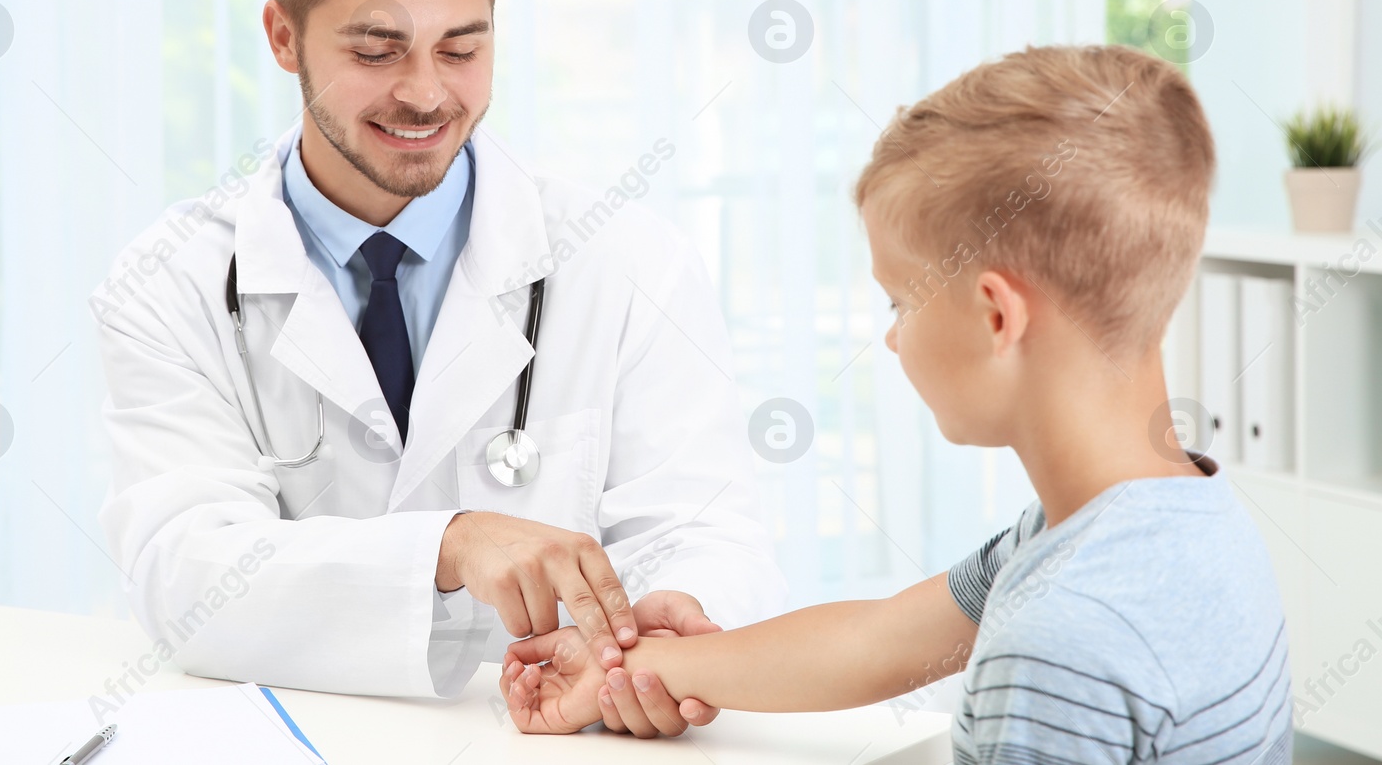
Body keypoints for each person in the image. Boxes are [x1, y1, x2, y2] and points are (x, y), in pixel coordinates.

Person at [90, 0, 784, 733]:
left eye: (461, 48)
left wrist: (656, 644)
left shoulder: (629, 263)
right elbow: (183, 573)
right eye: (377, 49)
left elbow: (707, 530)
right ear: (283, 36)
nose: (425, 93)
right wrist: (449, 546)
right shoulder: (169, 282)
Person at [500, 45, 1294, 762]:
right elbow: (878, 640)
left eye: (898, 305)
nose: (893, 342)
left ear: (995, 316)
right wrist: (633, 664)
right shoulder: (1155, 517)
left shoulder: (1063, 638)